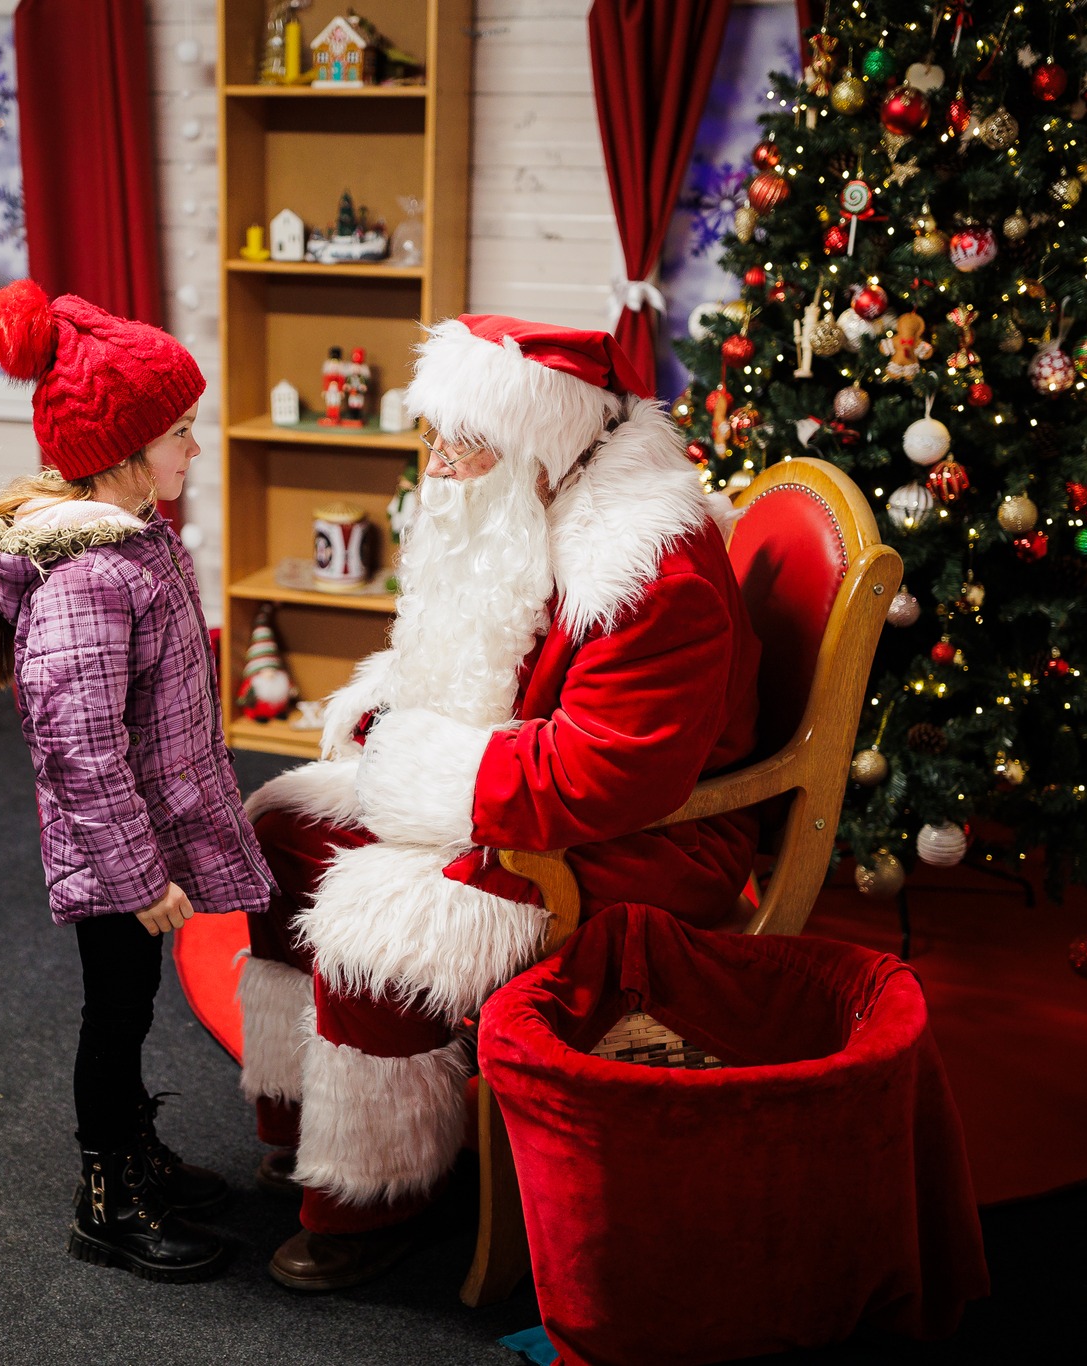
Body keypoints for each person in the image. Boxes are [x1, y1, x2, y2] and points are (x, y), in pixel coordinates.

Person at [238, 316, 763, 1291]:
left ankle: (374, 1195)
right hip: (517, 774)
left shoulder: (648, 569)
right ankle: (305, 1121)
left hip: (643, 839)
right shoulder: (522, 499)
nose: (438, 466)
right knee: (277, 833)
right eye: (432, 436)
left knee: (382, 918)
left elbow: (606, 773)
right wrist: (393, 715)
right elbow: (477, 651)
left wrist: (417, 766)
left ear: (540, 441)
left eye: (464, 443)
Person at [0, 279, 273, 1282]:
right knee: (115, 1011)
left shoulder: (137, 541)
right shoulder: (91, 578)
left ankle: (138, 1152)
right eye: (180, 433)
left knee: (131, 1001)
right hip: (112, 854)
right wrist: (139, 877)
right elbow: (79, 749)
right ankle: (108, 1198)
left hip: (135, 833)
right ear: (126, 449)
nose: (194, 450)